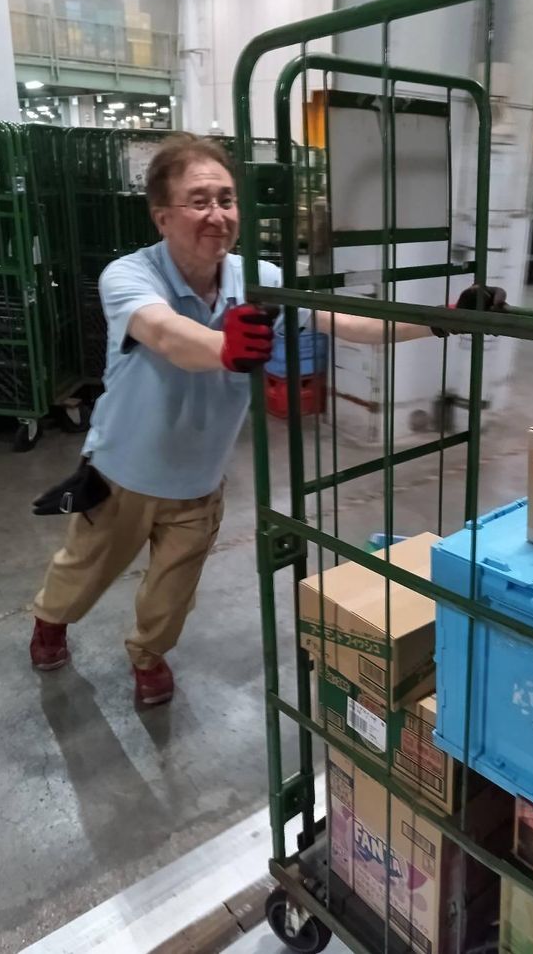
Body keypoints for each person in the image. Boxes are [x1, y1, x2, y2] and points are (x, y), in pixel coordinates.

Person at [29, 132, 505, 706]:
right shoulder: (131, 276)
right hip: (122, 473)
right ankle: (50, 624)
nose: (217, 214)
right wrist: (225, 347)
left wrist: (439, 318)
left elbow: (342, 320)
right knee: (82, 572)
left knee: (172, 595)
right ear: (162, 216)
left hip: (198, 482)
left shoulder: (259, 281)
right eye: (199, 201)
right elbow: (165, 334)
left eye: (226, 200)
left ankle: (148, 656)